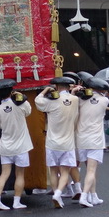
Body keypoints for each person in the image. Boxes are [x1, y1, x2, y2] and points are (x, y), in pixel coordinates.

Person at [35, 77, 80, 209]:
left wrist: (45, 91)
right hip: (67, 142)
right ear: (68, 86)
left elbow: (37, 101)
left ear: (57, 87)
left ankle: (57, 195)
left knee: (53, 171)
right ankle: (59, 192)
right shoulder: (75, 99)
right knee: (65, 171)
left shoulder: (50, 101)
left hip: (52, 142)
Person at [0, 79, 32, 210]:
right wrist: (21, 98)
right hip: (21, 146)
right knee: (20, 174)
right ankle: (16, 201)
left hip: (6, 145)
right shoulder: (21, 105)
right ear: (12, 91)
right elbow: (29, 111)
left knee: (4, 174)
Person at [76, 78, 109, 208]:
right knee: (91, 170)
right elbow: (100, 98)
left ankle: (93, 195)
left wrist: (77, 91)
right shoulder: (104, 100)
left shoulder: (80, 100)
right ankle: (84, 196)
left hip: (81, 138)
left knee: (90, 169)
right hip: (95, 139)